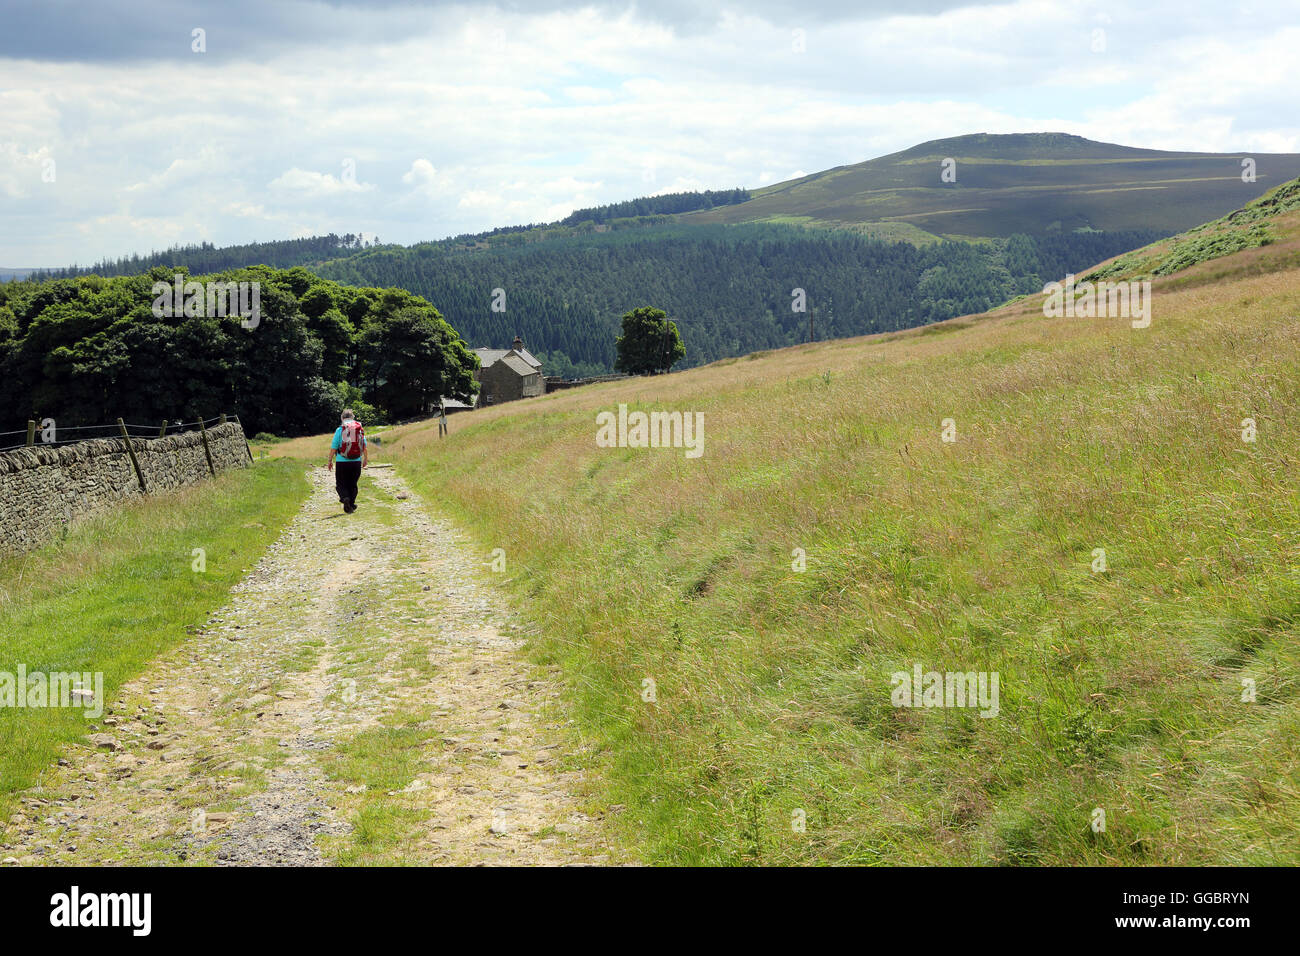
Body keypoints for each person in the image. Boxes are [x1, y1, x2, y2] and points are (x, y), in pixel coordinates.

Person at [327, 409, 368, 513]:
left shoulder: (340, 430)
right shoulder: (359, 429)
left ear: (342, 418)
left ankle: (345, 498)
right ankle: (351, 504)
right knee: (353, 483)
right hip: (356, 461)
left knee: (341, 483)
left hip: (342, 462)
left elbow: (334, 447)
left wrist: (330, 460)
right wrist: (365, 459)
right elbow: (364, 446)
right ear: (353, 418)